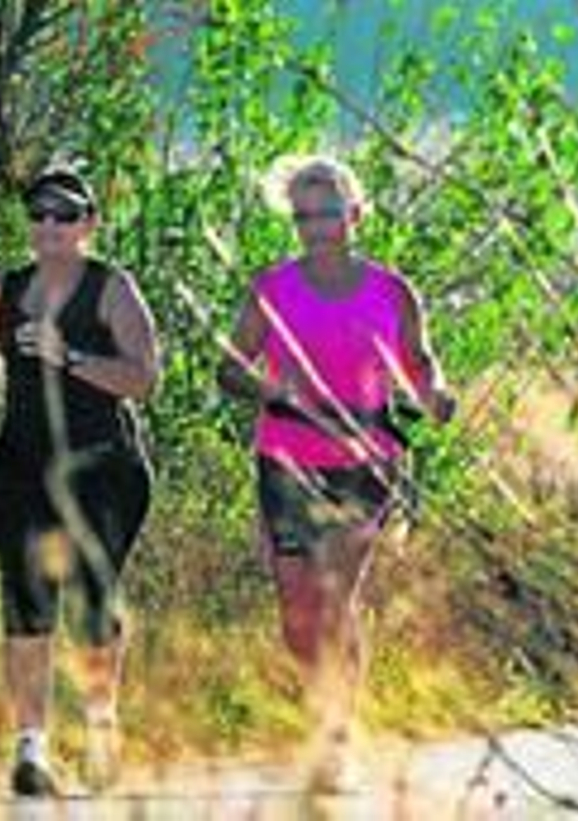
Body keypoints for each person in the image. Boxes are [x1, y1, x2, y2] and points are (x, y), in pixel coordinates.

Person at [217, 154, 452, 790]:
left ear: (354, 212)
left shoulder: (392, 290)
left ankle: (335, 737)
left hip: (365, 460)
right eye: (302, 217)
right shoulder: (272, 288)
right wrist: (270, 390)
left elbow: (421, 361)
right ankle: (320, 718)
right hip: (286, 459)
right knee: (296, 607)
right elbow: (228, 367)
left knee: (335, 596)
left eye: (326, 214)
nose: (315, 228)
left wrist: (435, 395)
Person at [0, 165, 159, 797]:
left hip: (103, 467)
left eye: (65, 214)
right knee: (24, 598)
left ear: (89, 223)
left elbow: (142, 377)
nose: (50, 225)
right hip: (21, 464)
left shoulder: (110, 288)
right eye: (39, 213)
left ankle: (101, 730)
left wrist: (67, 355)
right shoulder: (8, 286)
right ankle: (31, 750)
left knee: (92, 599)